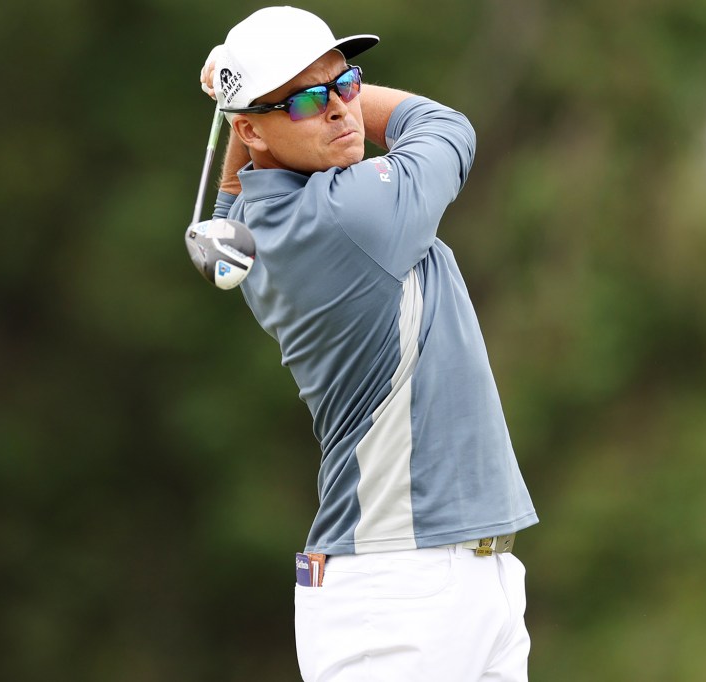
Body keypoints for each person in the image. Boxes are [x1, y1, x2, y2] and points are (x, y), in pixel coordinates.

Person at [199, 7, 539, 681]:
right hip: (396, 590)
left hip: (468, 576)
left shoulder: (246, 229)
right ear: (252, 130)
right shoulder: (352, 215)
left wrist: (245, 103)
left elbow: (232, 198)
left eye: (346, 83)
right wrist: (233, 100)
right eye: (305, 98)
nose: (338, 110)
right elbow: (444, 125)